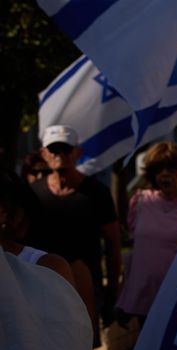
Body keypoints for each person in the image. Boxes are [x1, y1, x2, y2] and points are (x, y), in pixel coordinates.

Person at [28, 125, 121, 330]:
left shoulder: (98, 194)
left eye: (66, 149)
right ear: (44, 154)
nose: (60, 155)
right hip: (41, 289)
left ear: (77, 152)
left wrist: (112, 293)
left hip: (87, 290)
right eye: (54, 149)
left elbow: (113, 245)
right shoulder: (31, 195)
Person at [116, 141, 177, 325]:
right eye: (158, 169)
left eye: (171, 168)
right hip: (145, 302)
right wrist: (123, 297)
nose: (165, 174)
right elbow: (134, 253)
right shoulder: (140, 202)